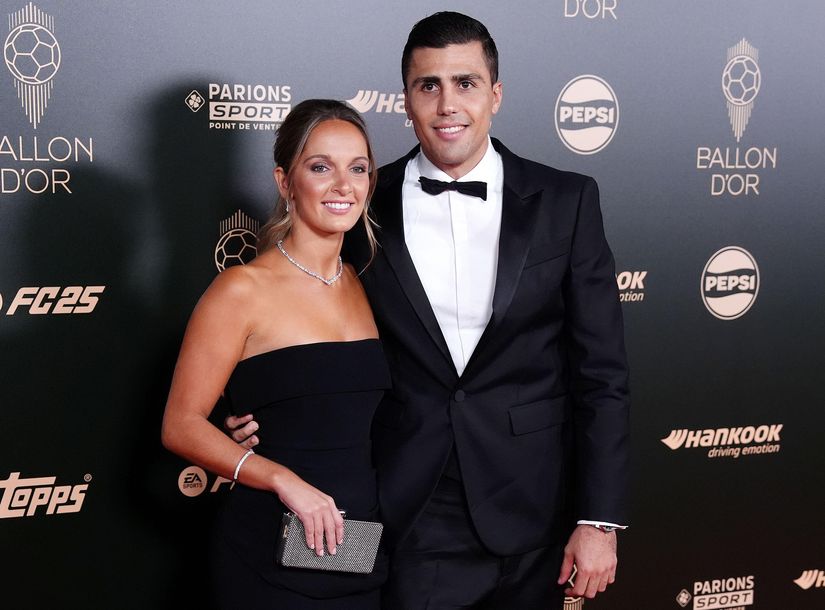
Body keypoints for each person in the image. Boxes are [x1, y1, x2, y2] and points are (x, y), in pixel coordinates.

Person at [230, 12, 630, 609]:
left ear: (495, 94)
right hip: (411, 508)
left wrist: (599, 520)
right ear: (406, 100)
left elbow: (602, 373)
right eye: (428, 85)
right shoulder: (361, 202)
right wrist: (247, 414)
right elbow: (290, 304)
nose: (448, 104)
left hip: (537, 507)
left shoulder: (567, 201)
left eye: (465, 83)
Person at [161, 99, 390, 610]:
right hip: (266, 552)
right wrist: (283, 480)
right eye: (320, 167)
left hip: (356, 553)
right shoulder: (242, 290)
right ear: (285, 182)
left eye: (357, 169)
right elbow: (180, 424)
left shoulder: (371, 283)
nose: (342, 185)